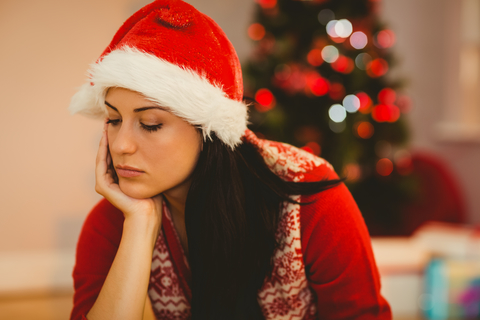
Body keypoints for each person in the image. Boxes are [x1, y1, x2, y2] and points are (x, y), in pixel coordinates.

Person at [69, 0, 392, 319]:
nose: (121, 145)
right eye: (112, 120)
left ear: (208, 130)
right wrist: (140, 224)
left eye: (150, 124)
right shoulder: (115, 218)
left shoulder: (309, 197)